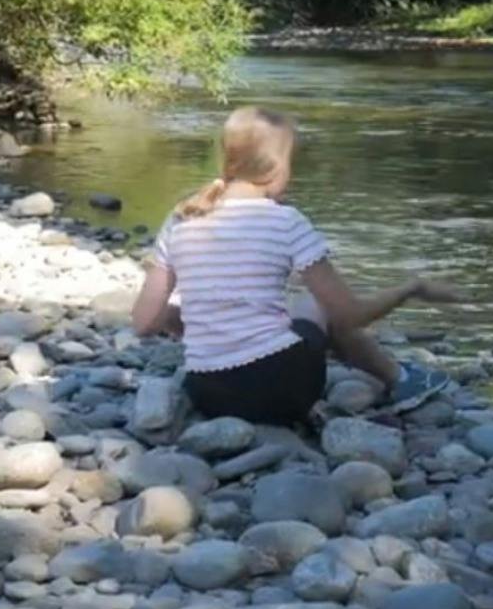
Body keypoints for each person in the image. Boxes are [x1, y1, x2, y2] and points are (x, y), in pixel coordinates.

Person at [130, 106, 458, 425]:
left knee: (289, 313)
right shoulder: (286, 220)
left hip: (210, 394)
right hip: (283, 391)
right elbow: (350, 316)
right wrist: (411, 288)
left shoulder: (182, 217)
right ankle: (401, 378)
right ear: (275, 168)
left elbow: (145, 323)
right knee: (316, 305)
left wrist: (206, 321)